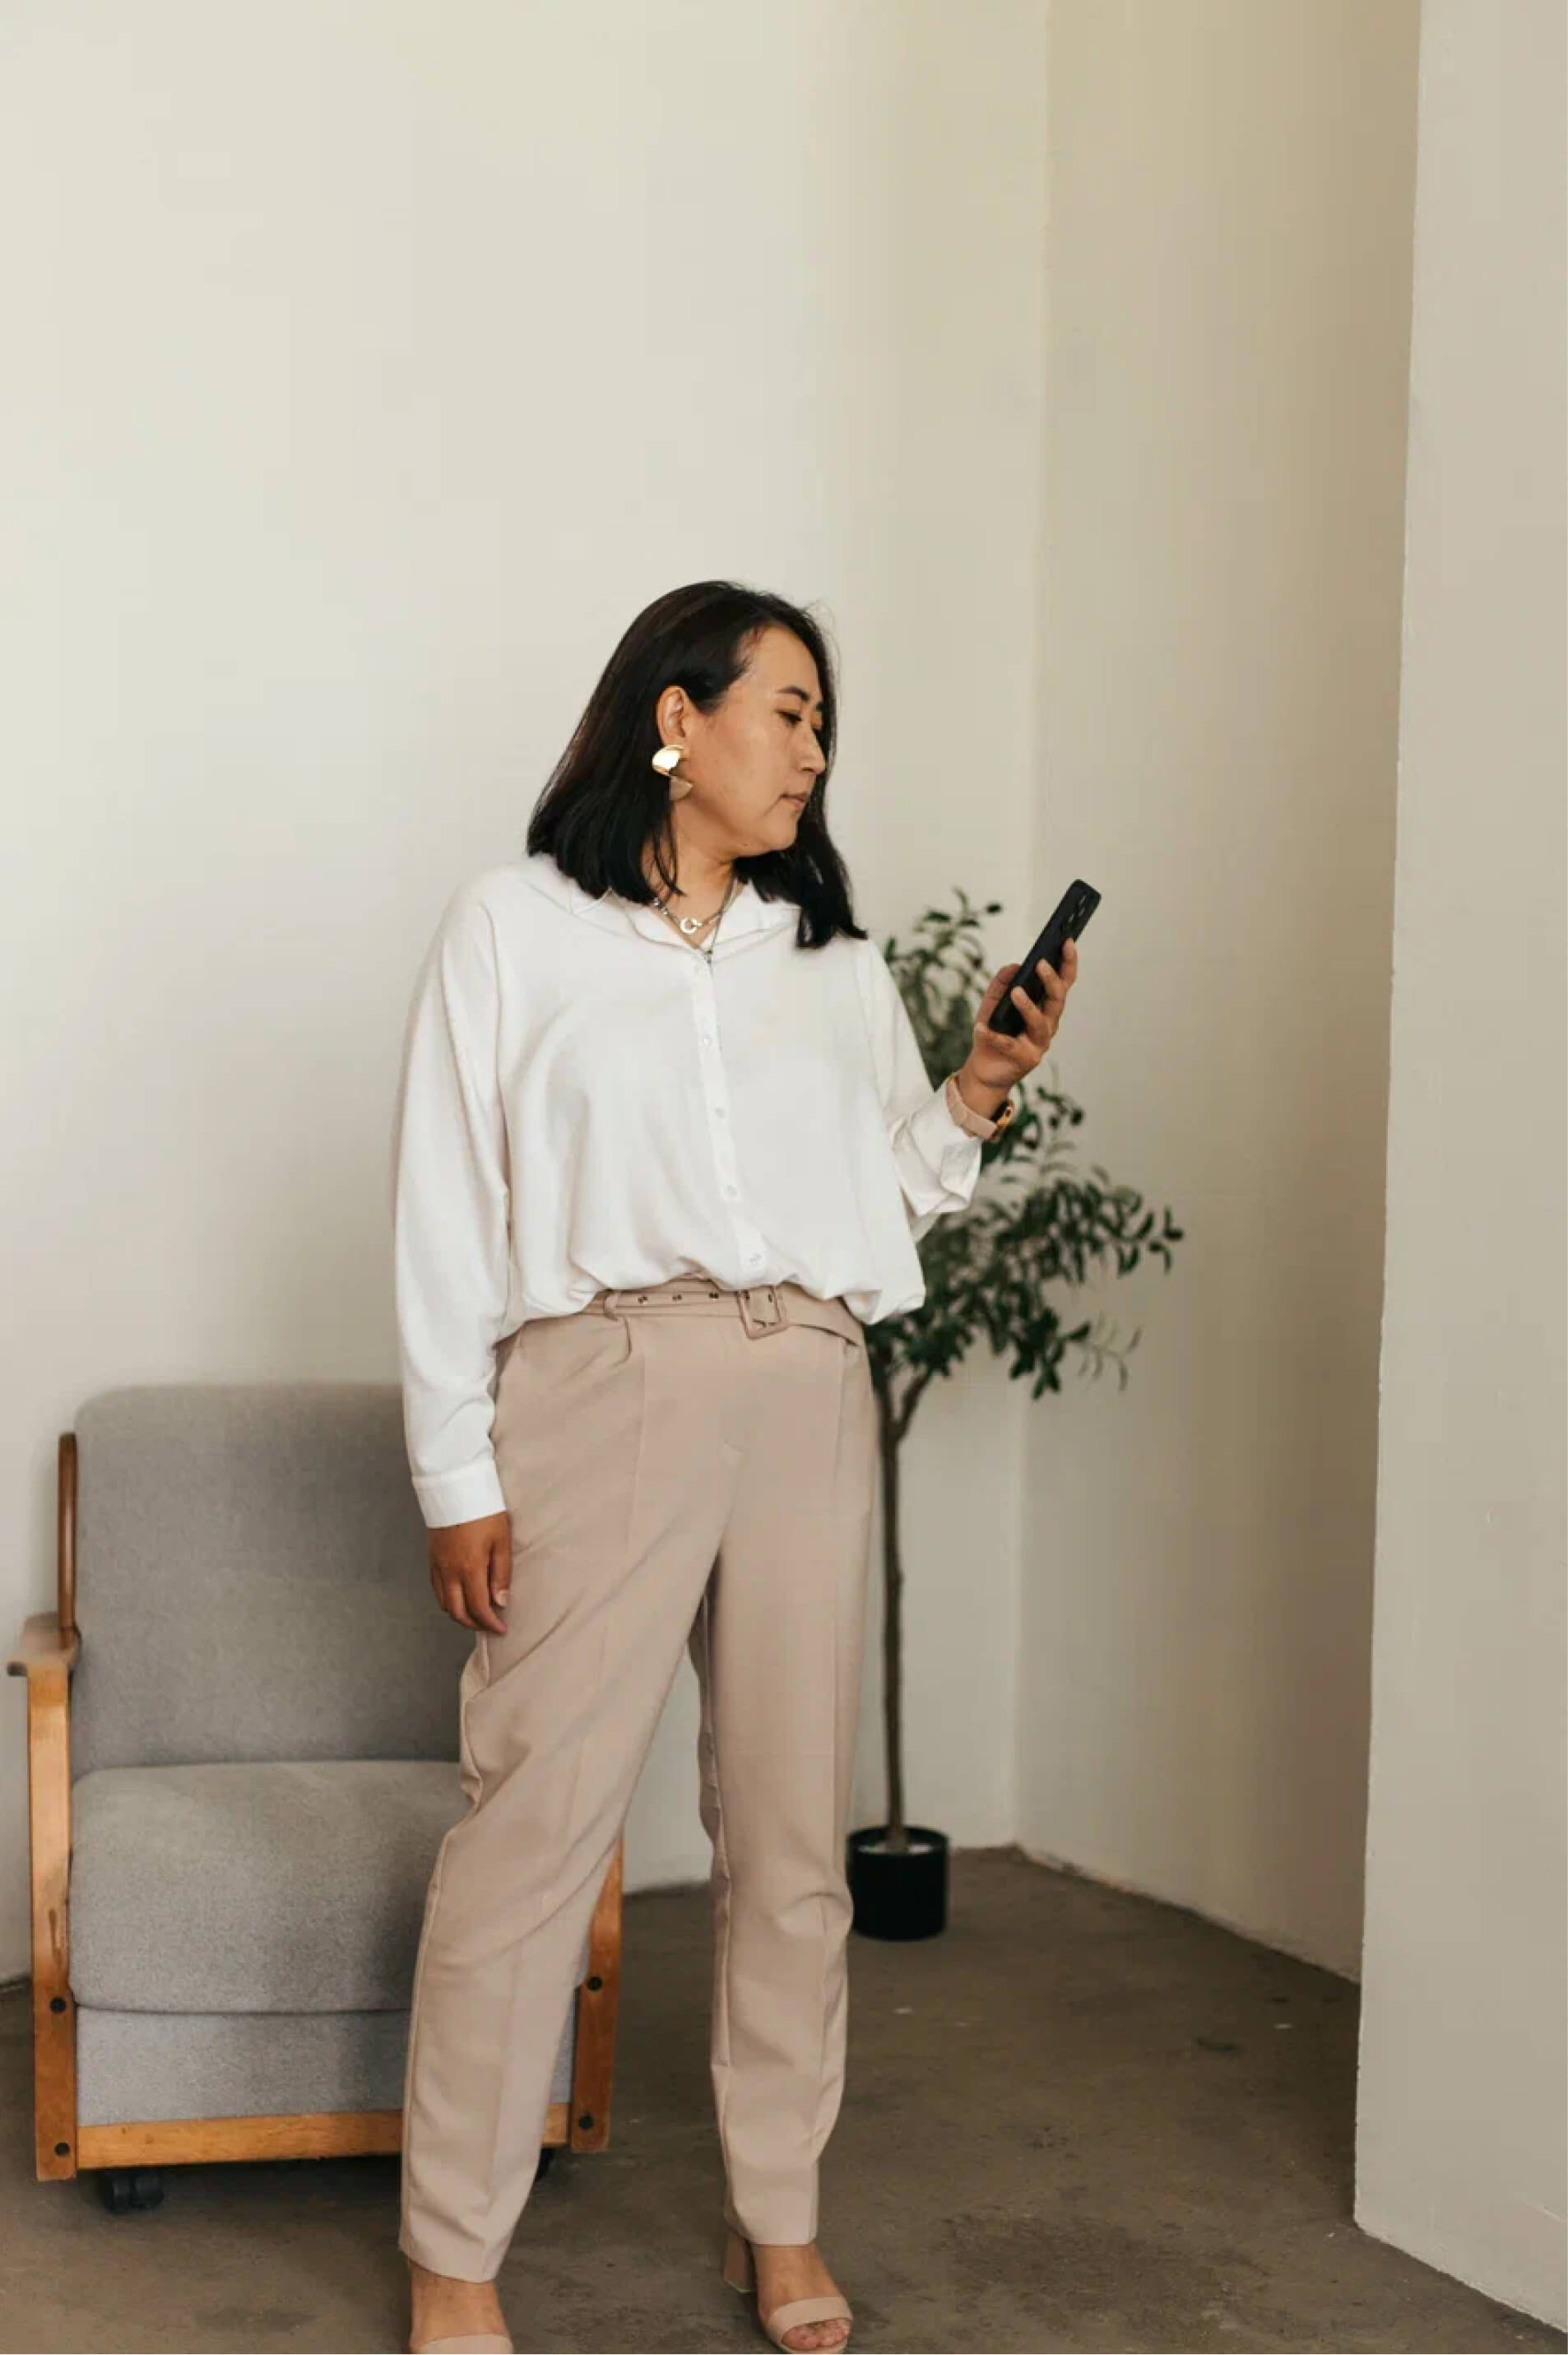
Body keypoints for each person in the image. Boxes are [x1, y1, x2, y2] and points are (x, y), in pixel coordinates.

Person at [389, 580, 1076, 2355]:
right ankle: (453, 2251)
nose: (814, 751)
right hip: (599, 1384)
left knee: (786, 1843)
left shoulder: (827, 960)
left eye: (825, 723)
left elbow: (883, 1191)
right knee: (532, 1832)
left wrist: (976, 1087)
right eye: (790, 711)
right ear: (674, 719)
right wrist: (455, 1470)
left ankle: (777, 2217)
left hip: (803, 1387)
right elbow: (447, 1206)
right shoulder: (512, 929)